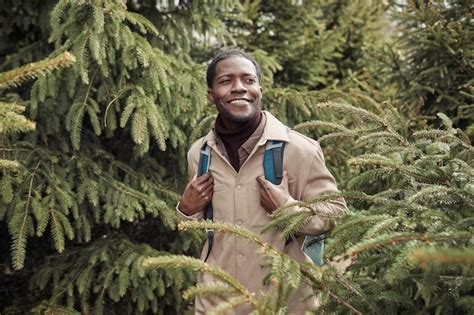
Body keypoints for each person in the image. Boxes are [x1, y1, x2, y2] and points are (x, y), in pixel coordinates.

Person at [177, 49, 346, 314]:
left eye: (248, 80)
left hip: (286, 302)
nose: (239, 88)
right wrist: (186, 210)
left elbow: (335, 214)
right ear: (211, 94)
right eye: (226, 81)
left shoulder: (300, 150)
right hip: (218, 302)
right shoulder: (199, 154)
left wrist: (288, 209)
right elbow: (204, 227)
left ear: (259, 90)